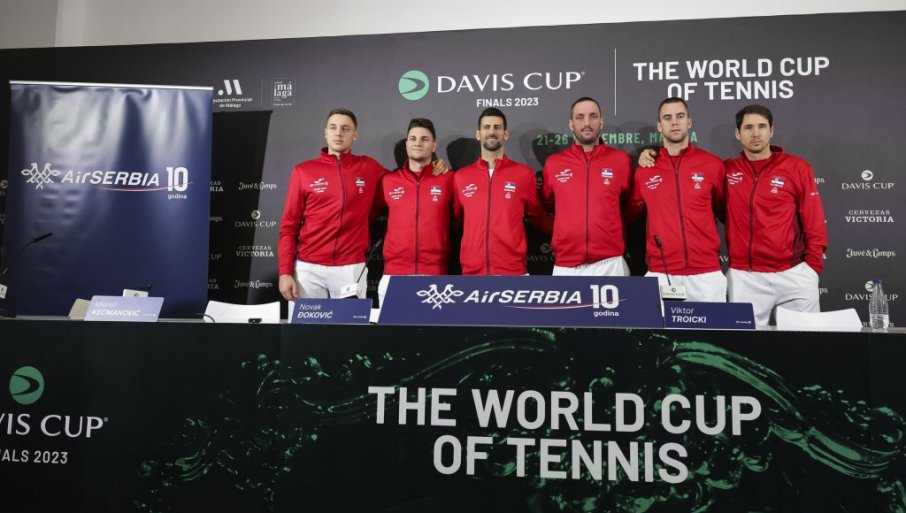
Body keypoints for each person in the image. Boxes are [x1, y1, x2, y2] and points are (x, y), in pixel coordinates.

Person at [278, 109, 448, 301]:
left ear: (355, 134)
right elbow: (288, 226)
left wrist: (433, 166)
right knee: (307, 322)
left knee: (350, 323)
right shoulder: (303, 171)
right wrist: (284, 271)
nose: (338, 133)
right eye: (333, 128)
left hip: (351, 268)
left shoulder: (368, 167)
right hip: (308, 268)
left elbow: (407, 182)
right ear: (325, 132)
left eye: (345, 129)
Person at [724, 104, 827, 325]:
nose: (756, 133)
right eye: (748, 127)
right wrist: (652, 153)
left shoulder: (797, 167)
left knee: (805, 342)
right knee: (745, 345)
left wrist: (812, 268)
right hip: (744, 277)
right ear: (738, 133)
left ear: (771, 131)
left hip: (794, 273)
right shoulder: (726, 169)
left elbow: (814, 220)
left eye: (762, 126)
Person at [626, 97, 726, 301]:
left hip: (706, 274)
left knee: (711, 325)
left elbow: (724, 210)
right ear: (659, 126)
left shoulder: (713, 165)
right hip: (661, 272)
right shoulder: (646, 169)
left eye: (680, 116)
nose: (674, 122)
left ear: (689, 122)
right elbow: (630, 213)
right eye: (667, 118)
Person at [453, 107, 552, 275]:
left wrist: (571, 233)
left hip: (513, 272)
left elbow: (538, 217)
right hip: (473, 273)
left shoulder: (523, 174)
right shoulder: (461, 177)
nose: (492, 132)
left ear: (505, 134)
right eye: (487, 127)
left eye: (497, 127)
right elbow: (453, 221)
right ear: (478, 134)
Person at [541, 97, 633, 276]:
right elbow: (546, 205)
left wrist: (611, 227)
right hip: (566, 265)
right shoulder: (554, 163)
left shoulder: (621, 161)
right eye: (580, 117)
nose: (587, 123)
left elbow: (632, 205)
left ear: (601, 121)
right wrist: (563, 231)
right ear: (571, 124)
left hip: (611, 263)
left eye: (593, 116)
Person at [374, 118, 454, 306]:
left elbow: (460, 217)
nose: (417, 143)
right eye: (413, 138)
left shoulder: (449, 179)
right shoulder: (389, 181)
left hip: (435, 274)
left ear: (434, 146)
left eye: (424, 139)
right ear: (407, 144)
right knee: (393, 327)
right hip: (394, 274)